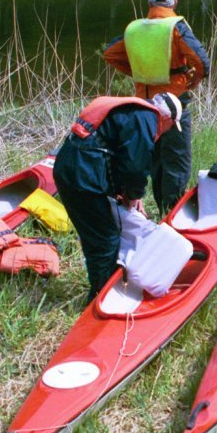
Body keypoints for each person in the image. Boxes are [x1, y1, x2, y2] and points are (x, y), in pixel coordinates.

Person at [53, 93, 182, 303]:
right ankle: (99, 301)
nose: (167, 132)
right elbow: (135, 167)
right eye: (171, 127)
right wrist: (132, 195)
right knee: (105, 240)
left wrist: (127, 192)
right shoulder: (147, 119)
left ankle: (106, 288)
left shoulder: (132, 111)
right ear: (167, 119)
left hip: (67, 168)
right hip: (83, 175)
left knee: (97, 234)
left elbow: (112, 152)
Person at [103, 0, 210, 215]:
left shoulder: (135, 30)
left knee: (157, 162)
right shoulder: (175, 27)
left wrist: (138, 73)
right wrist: (194, 80)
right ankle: (172, 214)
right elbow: (202, 61)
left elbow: (110, 53)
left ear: (150, 4)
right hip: (174, 104)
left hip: (145, 105)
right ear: (174, 3)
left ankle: (162, 209)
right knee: (177, 161)